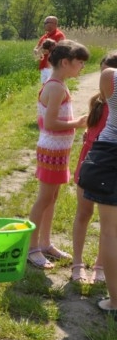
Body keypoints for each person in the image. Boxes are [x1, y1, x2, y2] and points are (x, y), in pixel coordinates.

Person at [27, 40, 90, 269]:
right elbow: (51, 123)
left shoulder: (58, 85)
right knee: (44, 198)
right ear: (65, 62)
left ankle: (45, 243)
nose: (82, 67)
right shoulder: (55, 87)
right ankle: (31, 247)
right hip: (52, 150)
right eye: (79, 62)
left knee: (51, 198)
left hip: (57, 151)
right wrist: (78, 123)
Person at [71, 53, 117, 283]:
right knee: (84, 213)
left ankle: (100, 265)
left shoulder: (113, 105)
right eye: (101, 71)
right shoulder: (96, 102)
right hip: (89, 163)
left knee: (107, 224)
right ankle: (77, 263)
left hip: (107, 165)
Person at [87, 60, 117, 316]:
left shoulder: (110, 76)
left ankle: (115, 302)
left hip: (111, 155)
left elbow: (106, 100)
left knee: (110, 232)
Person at [33, 16, 65, 84]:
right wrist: (36, 50)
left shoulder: (59, 35)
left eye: (46, 22)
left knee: (52, 86)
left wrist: (40, 51)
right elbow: (37, 47)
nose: (44, 24)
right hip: (44, 66)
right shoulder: (45, 36)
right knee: (45, 86)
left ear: (54, 24)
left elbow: (58, 51)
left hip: (52, 67)